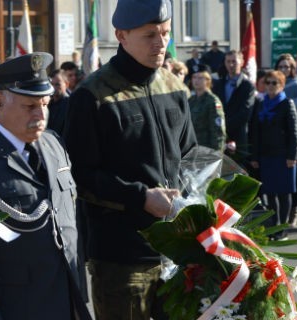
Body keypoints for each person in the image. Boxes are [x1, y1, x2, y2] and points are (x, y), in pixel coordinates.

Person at [64, 1, 197, 318]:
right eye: (150, 35)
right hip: (121, 257)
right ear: (121, 36)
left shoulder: (175, 87)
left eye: (165, 33)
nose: (161, 43)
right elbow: (78, 175)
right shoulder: (93, 95)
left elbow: (191, 157)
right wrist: (140, 198)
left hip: (177, 250)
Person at [0, 52, 91, 320]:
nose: (41, 114)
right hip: (11, 309)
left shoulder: (53, 144)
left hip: (64, 302)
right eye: (30, 106)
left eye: (45, 104)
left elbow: (68, 224)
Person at [250, 70, 297, 240]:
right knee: (270, 193)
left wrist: (292, 156)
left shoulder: (287, 103)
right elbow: (255, 132)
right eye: (267, 82)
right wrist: (255, 156)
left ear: (281, 85)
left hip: (284, 156)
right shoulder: (261, 103)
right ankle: (274, 227)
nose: (270, 86)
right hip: (266, 155)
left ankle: (283, 228)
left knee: (284, 193)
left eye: (274, 83)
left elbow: (294, 132)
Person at [275, 53, 297, 226]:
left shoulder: (296, 85)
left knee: (295, 177)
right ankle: (281, 214)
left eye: (287, 67)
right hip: (278, 140)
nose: (284, 70)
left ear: (292, 69)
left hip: (294, 138)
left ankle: (294, 210)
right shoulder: (275, 85)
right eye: (281, 66)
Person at [212, 50, 256, 159]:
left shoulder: (247, 86)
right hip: (220, 137)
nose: (231, 65)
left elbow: (245, 113)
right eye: (228, 61)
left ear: (241, 62)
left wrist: (225, 127)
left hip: (239, 137)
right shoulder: (218, 84)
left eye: (234, 62)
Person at [189, 66, 226, 151]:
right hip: (193, 149)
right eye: (194, 77)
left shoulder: (213, 101)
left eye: (200, 78)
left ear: (208, 80)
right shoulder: (191, 100)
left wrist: (217, 154)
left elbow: (218, 131)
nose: (196, 80)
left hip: (207, 150)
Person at [47, 69, 70, 136]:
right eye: (51, 84)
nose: (53, 88)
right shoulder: (48, 104)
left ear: (66, 84)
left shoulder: (70, 105)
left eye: (57, 84)